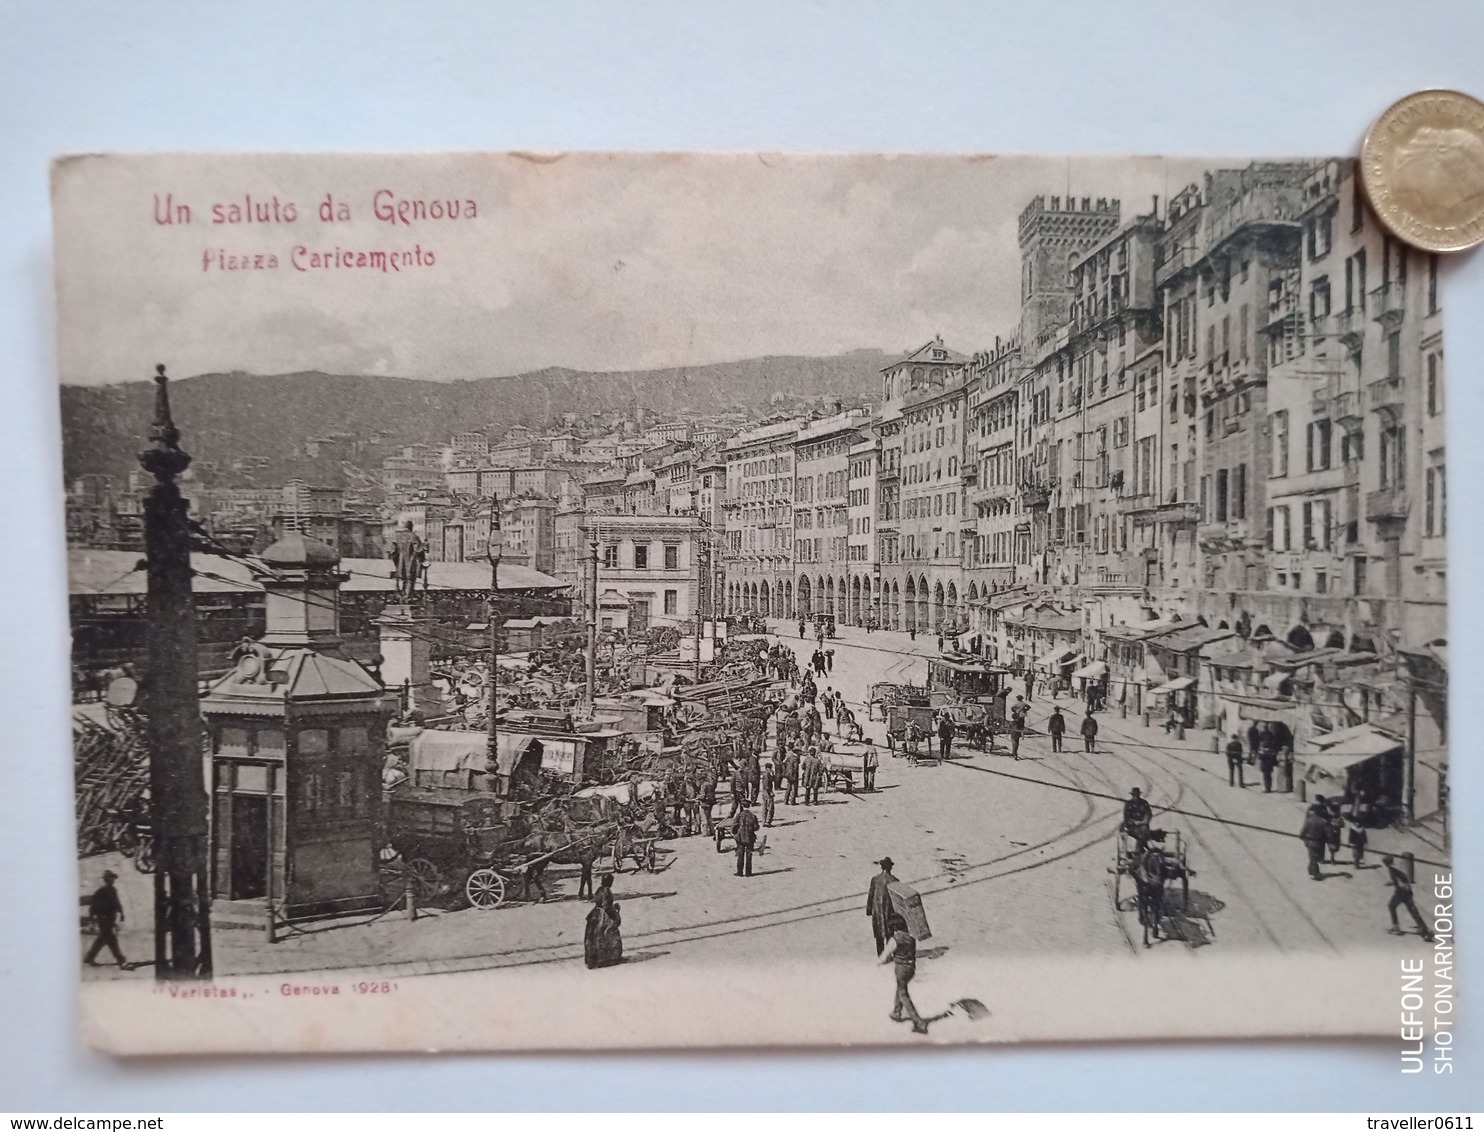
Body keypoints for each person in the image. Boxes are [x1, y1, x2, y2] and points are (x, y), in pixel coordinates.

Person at [880, 913, 928, 1034]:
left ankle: (918, 1022)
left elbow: (884, 956)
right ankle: (897, 1011)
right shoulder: (911, 936)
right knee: (901, 987)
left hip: (901, 969)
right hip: (911, 968)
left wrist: (880, 962)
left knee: (903, 994)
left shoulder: (894, 940)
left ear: (893, 928)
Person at [1382, 855, 1435, 941]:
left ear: (1386, 863)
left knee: (1391, 906)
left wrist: (1402, 886)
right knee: (1412, 910)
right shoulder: (1395, 867)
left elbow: (1402, 878)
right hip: (1406, 891)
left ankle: (1395, 927)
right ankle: (1423, 929)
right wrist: (1392, 883)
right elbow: (1401, 878)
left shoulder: (1392, 869)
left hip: (1401, 891)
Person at [84, 870, 127, 968]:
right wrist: (91, 918)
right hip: (103, 919)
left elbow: (117, 902)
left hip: (111, 918)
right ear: (106, 880)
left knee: (102, 939)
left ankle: (89, 958)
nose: (112, 880)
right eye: (110, 878)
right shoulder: (100, 891)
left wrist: (121, 912)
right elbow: (93, 906)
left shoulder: (113, 890)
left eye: (113, 878)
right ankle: (121, 961)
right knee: (111, 940)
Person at [584, 873, 624, 968]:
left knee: (593, 936)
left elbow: (597, 901)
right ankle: (608, 958)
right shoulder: (607, 891)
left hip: (595, 913)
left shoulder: (599, 890)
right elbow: (606, 906)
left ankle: (593, 959)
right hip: (603, 915)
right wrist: (615, 910)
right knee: (608, 934)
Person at [866, 856, 898, 954]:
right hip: (889, 911)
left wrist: (869, 909)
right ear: (890, 867)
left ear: (881, 867)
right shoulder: (894, 880)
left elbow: (871, 895)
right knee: (889, 933)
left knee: (878, 934)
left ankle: (880, 955)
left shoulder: (875, 879)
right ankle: (888, 954)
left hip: (877, 911)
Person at [1301, 797, 1330, 880]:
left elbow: (1303, 830)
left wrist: (1302, 837)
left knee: (1313, 856)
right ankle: (1314, 871)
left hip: (1310, 841)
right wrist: (1328, 839)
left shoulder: (1309, 820)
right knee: (1315, 857)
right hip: (1320, 842)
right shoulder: (1323, 821)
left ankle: (1313, 871)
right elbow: (1328, 833)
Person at [734, 800, 760, 877]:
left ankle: (740, 872)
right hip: (750, 837)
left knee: (740, 854)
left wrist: (735, 833)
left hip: (740, 837)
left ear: (742, 806)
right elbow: (756, 827)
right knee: (749, 854)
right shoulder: (753, 816)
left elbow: (734, 825)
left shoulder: (739, 815)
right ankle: (748, 872)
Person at [759, 760, 776, 827]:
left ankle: (764, 821)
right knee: (770, 808)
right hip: (767, 792)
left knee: (765, 807)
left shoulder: (767, 774)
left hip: (765, 792)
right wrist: (770, 792)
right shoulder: (766, 775)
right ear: (767, 768)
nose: (771, 769)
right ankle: (768, 822)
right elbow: (766, 785)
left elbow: (773, 780)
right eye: (770, 768)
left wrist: (773, 774)